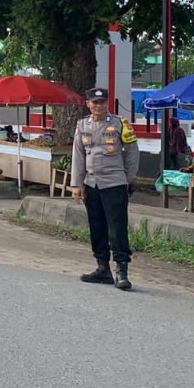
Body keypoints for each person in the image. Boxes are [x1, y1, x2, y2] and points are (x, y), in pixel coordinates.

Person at [71, 87, 139, 291]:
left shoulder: (120, 124)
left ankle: (121, 271)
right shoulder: (82, 125)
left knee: (117, 227)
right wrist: (76, 183)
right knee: (96, 227)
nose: (98, 105)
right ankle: (102, 268)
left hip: (114, 183)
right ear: (88, 103)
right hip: (91, 183)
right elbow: (79, 154)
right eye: (94, 102)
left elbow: (133, 153)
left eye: (102, 102)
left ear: (107, 103)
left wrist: (126, 178)